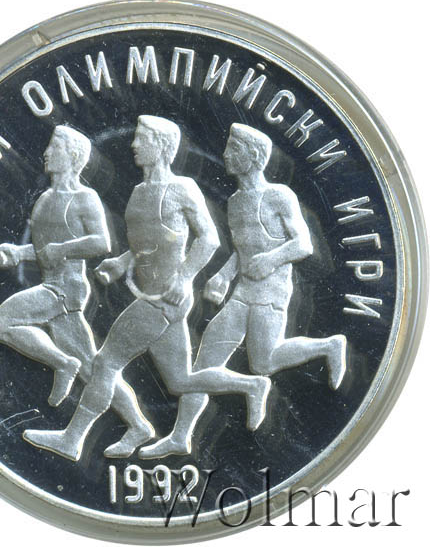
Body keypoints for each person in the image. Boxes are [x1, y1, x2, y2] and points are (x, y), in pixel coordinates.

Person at [23, 116, 271, 462]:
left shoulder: (181, 188)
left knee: (105, 362)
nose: (134, 145)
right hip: (152, 296)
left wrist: (184, 278)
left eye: (142, 139)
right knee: (180, 381)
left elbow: (209, 239)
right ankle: (251, 385)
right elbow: (148, 245)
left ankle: (73, 438)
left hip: (163, 299)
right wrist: (122, 262)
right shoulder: (140, 192)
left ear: (162, 146)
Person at [139, 123, 347, 459]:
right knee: (204, 364)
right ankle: (180, 435)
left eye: (233, 150)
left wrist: (271, 259)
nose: (225, 156)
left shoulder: (279, 195)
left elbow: (303, 244)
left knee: (264, 361)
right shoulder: (236, 202)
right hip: (242, 292)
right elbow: (242, 249)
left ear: (252, 156)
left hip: (272, 292)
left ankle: (329, 346)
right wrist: (223, 276)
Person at [0, 125, 154, 453]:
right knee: (93, 367)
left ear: (73, 156)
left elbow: (101, 243)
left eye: (55, 148)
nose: (47, 153)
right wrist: (17, 253)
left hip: (66, 289)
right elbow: (44, 249)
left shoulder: (84, 198)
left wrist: (62, 249)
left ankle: (62, 363)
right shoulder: (45, 199)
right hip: (53, 285)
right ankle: (139, 424)